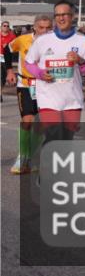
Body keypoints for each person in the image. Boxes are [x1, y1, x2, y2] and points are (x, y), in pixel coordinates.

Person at [24, 1, 85, 144]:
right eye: (57, 15)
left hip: (72, 101)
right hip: (48, 99)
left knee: (66, 140)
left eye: (64, 14)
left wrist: (81, 61)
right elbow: (29, 63)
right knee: (54, 137)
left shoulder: (83, 41)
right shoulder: (43, 40)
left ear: (72, 16)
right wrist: (40, 74)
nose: (61, 18)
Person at [6, 14, 52, 174]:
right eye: (41, 27)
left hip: (46, 86)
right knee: (27, 121)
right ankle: (22, 156)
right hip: (25, 84)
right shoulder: (23, 39)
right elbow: (7, 49)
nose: (45, 31)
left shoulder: (55, 42)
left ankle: (33, 156)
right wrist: (9, 70)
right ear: (34, 27)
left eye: (48, 28)